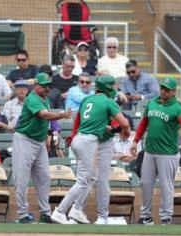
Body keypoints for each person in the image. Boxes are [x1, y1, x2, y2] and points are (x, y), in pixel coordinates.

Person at [51, 75, 130, 224]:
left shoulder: (87, 99)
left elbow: (89, 122)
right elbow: (125, 122)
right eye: (112, 86)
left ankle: (76, 210)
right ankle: (60, 211)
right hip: (89, 141)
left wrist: (115, 129)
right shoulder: (108, 101)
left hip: (79, 139)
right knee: (83, 180)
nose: (115, 88)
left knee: (92, 177)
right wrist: (124, 129)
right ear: (107, 87)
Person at [130, 77, 181, 225]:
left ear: (173, 91)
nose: (164, 91)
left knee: (166, 186)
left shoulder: (178, 107)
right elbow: (143, 123)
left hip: (168, 153)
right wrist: (135, 141)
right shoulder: (153, 102)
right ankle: (146, 216)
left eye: (167, 89)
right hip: (150, 151)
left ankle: (166, 217)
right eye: (162, 88)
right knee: (145, 183)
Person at [12, 73, 72, 224]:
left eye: (48, 86)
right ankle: (22, 214)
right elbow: (44, 115)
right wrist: (61, 115)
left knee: (44, 178)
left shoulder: (44, 99)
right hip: (24, 140)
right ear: (36, 86)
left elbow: (42, 122)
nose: (47, 88)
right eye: (44, 86)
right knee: (22, 179)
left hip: (38, 142)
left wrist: (45, 137)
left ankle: (45, 213)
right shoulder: (32, 98)